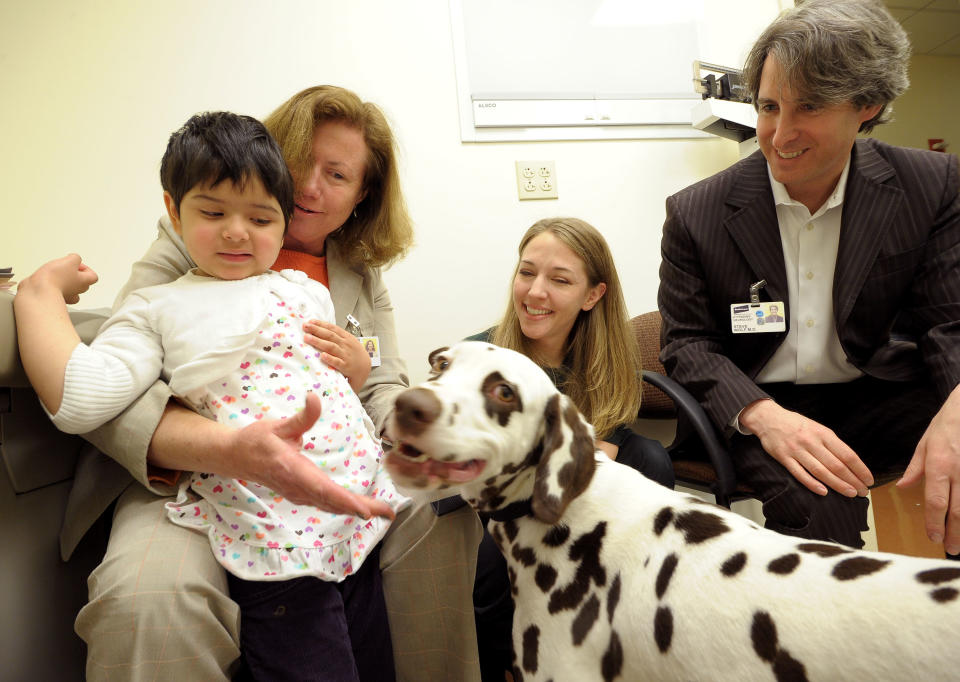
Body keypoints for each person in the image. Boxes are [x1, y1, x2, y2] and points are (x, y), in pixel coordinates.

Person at [54, 86, 483, 681]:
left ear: (364, 195)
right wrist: (225, 450)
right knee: (147, 599)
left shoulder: (356, 273)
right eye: (301, 161)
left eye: (337, 175)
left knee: (446, 507)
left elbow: (381, 387)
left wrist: (421, 422)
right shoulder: (199, 235)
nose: (311, 186)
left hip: (328, 464)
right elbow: (115, 388)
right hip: (184, 476)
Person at [658, 0, 960, 559]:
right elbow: (687, 345)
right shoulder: (696, 213)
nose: (780, 134)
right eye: (769, 106)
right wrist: (763, 417)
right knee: (820, 508)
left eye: (811, 106)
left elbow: (949, 321)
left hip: (880, 391)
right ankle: (834, 643)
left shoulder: (932, 185)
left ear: (867, 106)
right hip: (765, 399)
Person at [469, 217, 675, 680]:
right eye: (527, 272)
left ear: (592, 295)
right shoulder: (482, 357)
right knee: (486, 564)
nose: (535, 292)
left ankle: (627, 642)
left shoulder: (610, 352)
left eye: (559, 280)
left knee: (650, 457)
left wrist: (598, 451)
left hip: (581, 494)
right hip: (504, 503)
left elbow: (614, 424)